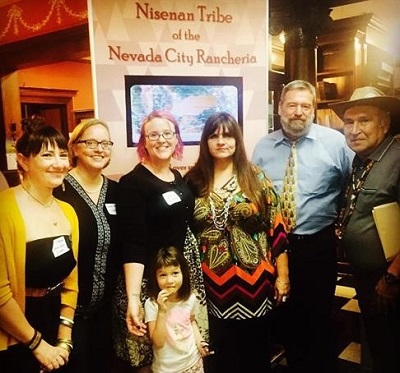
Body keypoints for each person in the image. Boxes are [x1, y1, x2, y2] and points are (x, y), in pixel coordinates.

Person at [252, 80, 352, 372]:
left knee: (317, 317)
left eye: (305, 106)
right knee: (281, 317)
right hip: (274, 248)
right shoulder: (263, 145)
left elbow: (348, 186)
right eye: (292, 105)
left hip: (316, 245)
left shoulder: (336, 143)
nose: (298, 112)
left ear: (314, 109)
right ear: (280, 108)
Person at [185, 112, 290, 373]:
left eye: (228, 135)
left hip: (255, 283)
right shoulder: (193, 180)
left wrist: (283, 276)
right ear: (205, 141)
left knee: (253, 354)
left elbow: (276, 228)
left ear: (237, 139)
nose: (221, 141)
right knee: (218, 355)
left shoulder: (255, 177)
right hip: (208, 285)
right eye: (214, 135)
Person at [113, 110, 208, 372]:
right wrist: (134, 298)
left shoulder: (177, 177)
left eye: (168, 133)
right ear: (143, 141)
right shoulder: (133, 183)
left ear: (177, 139)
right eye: (153, 134)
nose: (161, 139)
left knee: (181, 347)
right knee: (153, 355)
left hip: (177, 276)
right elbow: (132, 242)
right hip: (149, 284)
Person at [0, 118, 79, 372]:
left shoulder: (67, 211)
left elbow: (71, 281)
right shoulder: (4, 209)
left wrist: (64, 338)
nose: (58, 164)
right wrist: (37, 345)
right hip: (14, 332)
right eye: (47, 155)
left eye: (63, 155)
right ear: (23, 161)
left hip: (56, 326)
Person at [331, 86, 400, 373]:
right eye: (349, 122)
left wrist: (393, 276)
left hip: (390, 277)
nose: (354, 130)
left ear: (384, 123)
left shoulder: (396, 158)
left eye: (364, 120)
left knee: (392, 347)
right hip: (366, 274)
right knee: (378, 341)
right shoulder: (360, 160)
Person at [53, 119, 120, 372]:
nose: (99, 148)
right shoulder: (58, 190)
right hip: (66, 312)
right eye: (90, 142)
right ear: (75, 148)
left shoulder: (116, 191)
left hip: (106, 312)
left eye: (105, 143)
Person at [144, 246, 211, 373]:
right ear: (155, 278)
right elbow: (158, 342)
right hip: (167, 369)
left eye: (175, 273)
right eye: (163, 275)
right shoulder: (152, 304)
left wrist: (200, 342)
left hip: (193, 363)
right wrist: (162, 311)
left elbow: (191, 322)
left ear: (183, 273)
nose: (170, 281)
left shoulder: (190, 298)